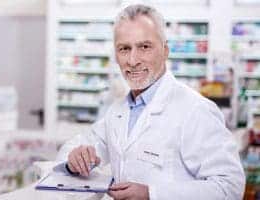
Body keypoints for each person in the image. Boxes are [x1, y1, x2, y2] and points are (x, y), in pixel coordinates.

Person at [55, 4, 245, 200]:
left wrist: (152, 195)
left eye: (144, 47)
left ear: (165, 51)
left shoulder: (196, 110)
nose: (133, 60)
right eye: (124, 49)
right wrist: (74, 159)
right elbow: (75, 147)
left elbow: (229, 187)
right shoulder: (119, 110)